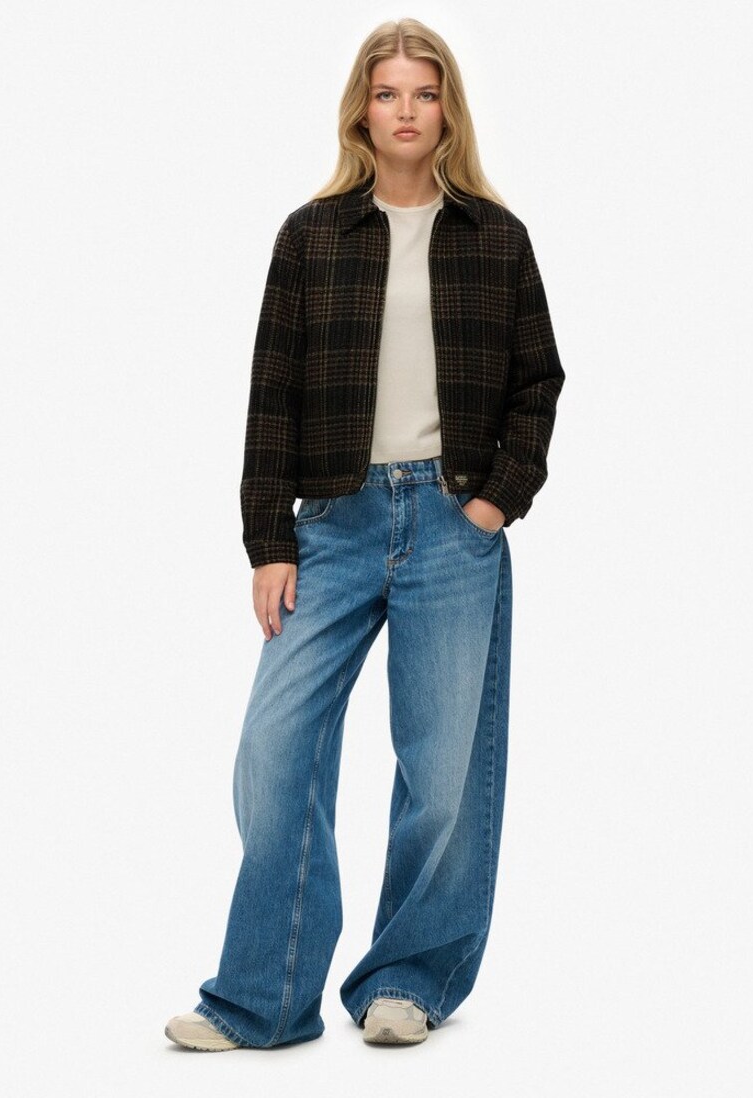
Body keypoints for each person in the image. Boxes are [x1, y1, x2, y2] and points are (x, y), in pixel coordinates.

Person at [165, 17, 565, 1050]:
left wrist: (493, 504)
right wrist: (269, 540)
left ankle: (407, 981)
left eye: (423, 93)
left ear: (447, 111)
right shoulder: (310, 237)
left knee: (441, 773)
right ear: (362, 110)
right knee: (273, 750)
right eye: (387, 93)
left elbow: (539, 382)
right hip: (332, 526)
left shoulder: (497, 239)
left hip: (451, 523)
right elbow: (272, 394)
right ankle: (265, 996)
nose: (405, 111)